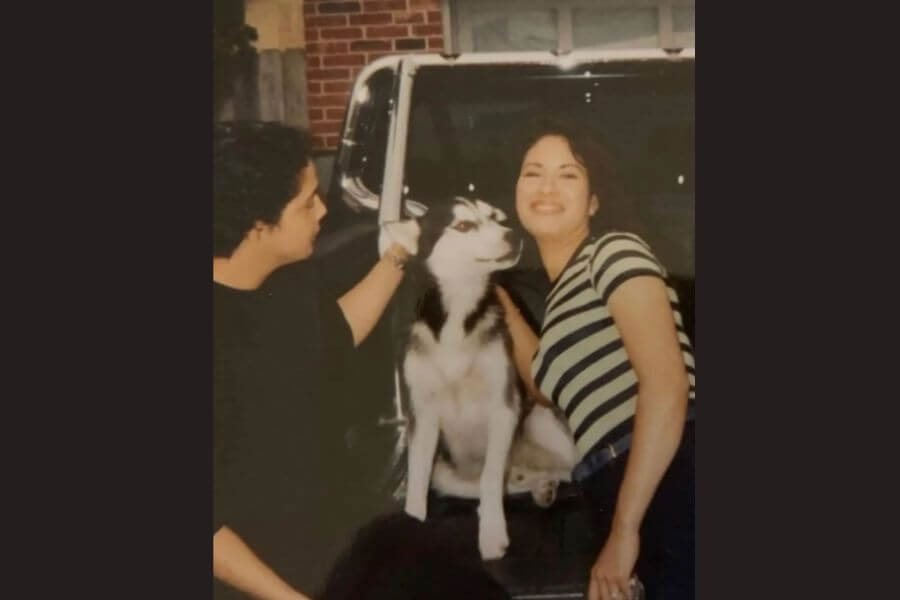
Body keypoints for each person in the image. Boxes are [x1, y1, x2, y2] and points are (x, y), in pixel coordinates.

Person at [495, 118, 695, 600]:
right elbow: (547, 385)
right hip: (614, 484)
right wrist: (495, 300)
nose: (546, 188)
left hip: (672, 470)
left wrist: (626, 529)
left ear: (594, 200)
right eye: (532, 172)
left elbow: (667, 387)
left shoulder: (614, 251)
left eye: (568, 174)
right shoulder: (564, 297)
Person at [213, 122, 414, 599]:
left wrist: (399, 257)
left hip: (317, 555)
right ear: (257, 224)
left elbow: (334, 334)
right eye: (306, 203)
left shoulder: (287, 284)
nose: (323, 211)